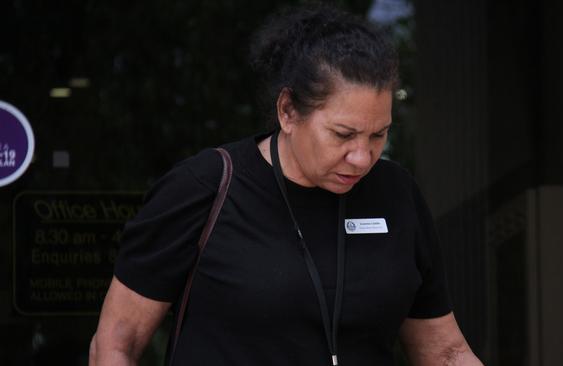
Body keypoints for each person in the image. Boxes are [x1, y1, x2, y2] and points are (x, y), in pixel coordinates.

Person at [90, 4, 483, 366]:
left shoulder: (396, 195)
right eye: (343, 135)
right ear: (288, 111)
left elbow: (446, 352)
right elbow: (115, 343)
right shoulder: (204, 188)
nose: (362, 157)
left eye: (378, 135)